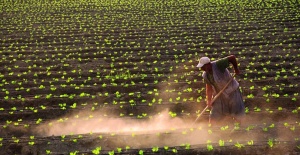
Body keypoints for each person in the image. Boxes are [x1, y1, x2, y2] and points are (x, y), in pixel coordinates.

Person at [196, 55, 245, 126]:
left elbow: (232, 58)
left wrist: (236, 69)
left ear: (208, 64)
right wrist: (209, 100)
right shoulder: (205, 75)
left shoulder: (218, 65)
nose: (202, 69)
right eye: (201, 67)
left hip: (232, 91)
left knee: (236, 111)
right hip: (220, 94)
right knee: (215, 114)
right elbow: (209, 87)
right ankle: (212, 130)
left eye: (203, 67)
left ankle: (239, 129)